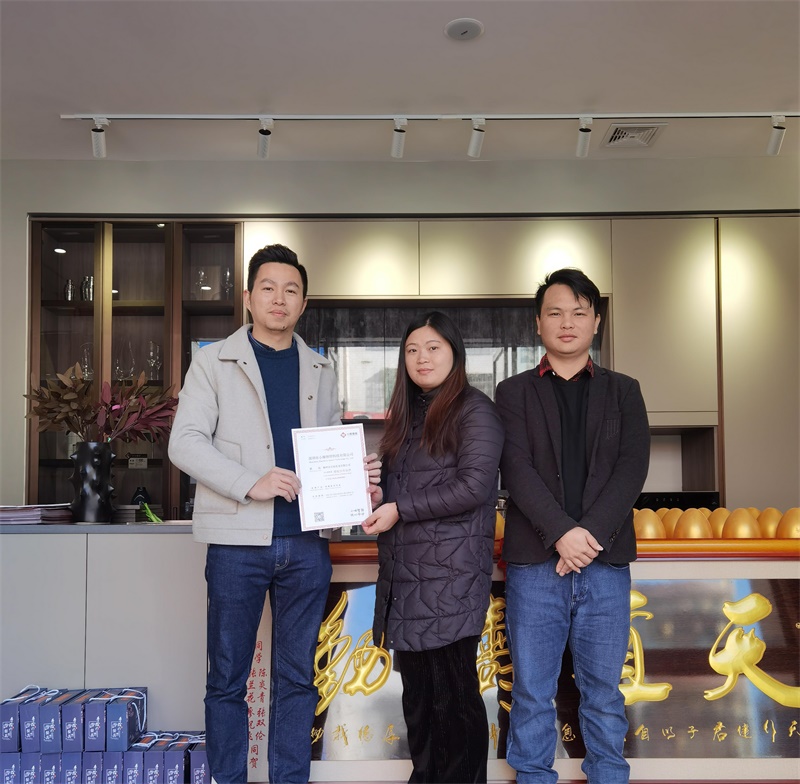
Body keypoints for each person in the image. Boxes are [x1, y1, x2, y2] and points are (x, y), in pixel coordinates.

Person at [168, 244, 381, 784]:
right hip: (237, 543)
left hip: (307, 544)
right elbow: (184, 443)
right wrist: (251, 483)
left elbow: (327, 447)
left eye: (291, 290)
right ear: (248, 296)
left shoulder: (321, 367)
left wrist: (355, 478)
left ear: (303, 302)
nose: (279, 298)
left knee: (297, 678)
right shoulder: (212, 362)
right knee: (227, 679)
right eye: (268, 287)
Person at [495, 268, 650, 784]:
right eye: (556, 313)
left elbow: (632, 469)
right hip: (536, 565)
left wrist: (587, 537)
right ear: (538, 323)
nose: (567, 323)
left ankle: (609, 774)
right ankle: (534, 776)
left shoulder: (624, 391)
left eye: (579, 313)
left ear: (596, 321)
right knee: (532, 691)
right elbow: (516, 469)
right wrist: (563, 533)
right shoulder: (512, 392)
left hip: (605, 564)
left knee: (604, 691)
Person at [363, 311, 505, 784]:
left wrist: (399, 508)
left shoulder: (474, 410)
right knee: (420, 704)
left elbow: (474, 487)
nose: (421, 358)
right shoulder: (408, 416)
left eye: (433, 347)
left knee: (454, 703)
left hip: (450, 581)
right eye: (412, 350)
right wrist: (376, 494)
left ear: (454, 353)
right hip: (408, 581)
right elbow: (402, 493)